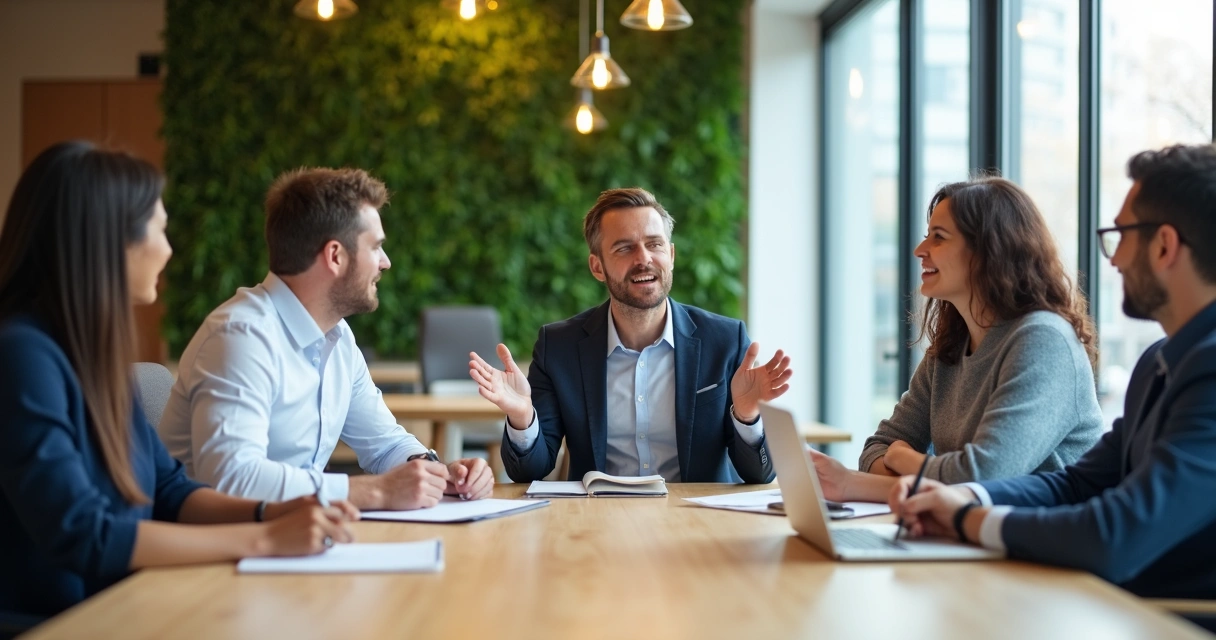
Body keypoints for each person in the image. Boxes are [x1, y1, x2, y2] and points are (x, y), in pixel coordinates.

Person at [0, 142, 358, 620]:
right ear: (107, 240)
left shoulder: (88, 354)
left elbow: (170, 491)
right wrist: (266, 538)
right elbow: (83, 533)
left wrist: (271, 512)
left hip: (126, 606)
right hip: (64, 622)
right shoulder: (21, 354)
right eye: (159, 230)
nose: (168, 250)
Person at [891, 144, 1216, 611]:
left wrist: (968, 518)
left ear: (1164, 245)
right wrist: (960, 497)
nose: (1115, 258)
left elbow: (1115, 534)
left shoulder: (1207, 372)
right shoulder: (1160, 363)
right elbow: (1076, 485)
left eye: (1121, 235)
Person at [158, 168, 493, 509]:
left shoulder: (338, 337)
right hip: (215, 553)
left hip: (291, 541)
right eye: (376, 247)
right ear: (335, 256)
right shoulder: (241, 337)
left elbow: (385, 445)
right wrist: (374, 492)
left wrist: (436, 474)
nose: (386, 262)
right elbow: (233, 479)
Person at [469, 187, 792, 483]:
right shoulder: (559, 347)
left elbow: (759, 475)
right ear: (597, 267)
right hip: (597, 521)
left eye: (654, 244)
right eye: (624, 248)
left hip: (695, 522)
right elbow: (531, 471)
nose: (643, 259)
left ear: (672, 255)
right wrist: (523, 416)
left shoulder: (724, 340)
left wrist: (747, 417)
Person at [811, 177, 1103, 502]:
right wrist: (872, 474)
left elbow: (984, 477)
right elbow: (876, 449)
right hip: (966, 536)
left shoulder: (1044, 341)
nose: (919, 251)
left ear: (988, 250)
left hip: (1039, 546)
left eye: (939, 238)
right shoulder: (951, 346)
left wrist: (904, 458)